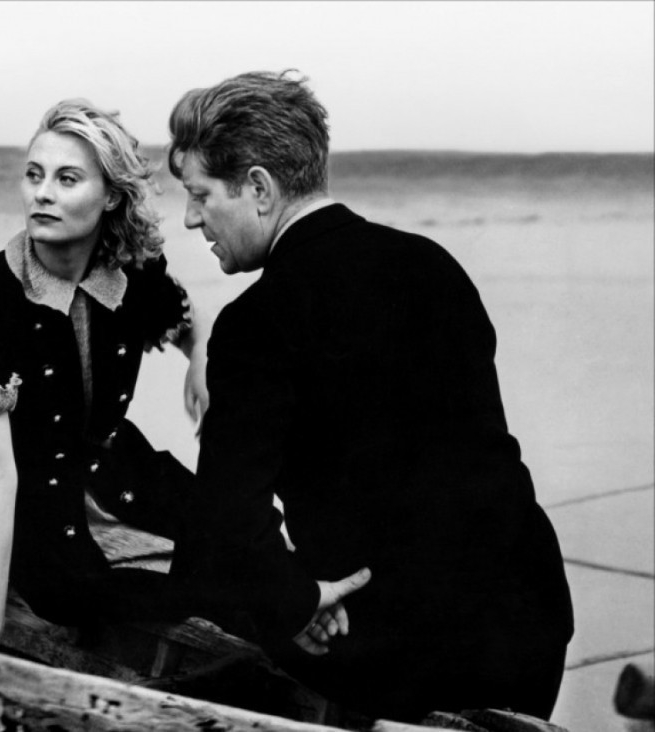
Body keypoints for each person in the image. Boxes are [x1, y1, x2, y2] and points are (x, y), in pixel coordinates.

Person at [166, 71, 574, 722]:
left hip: (396, 649)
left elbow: (228, 517)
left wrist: (292, 602)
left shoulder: (257, 321)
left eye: (199, 195)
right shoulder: (432, 265)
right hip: (528, 619)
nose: (191, 218)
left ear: (259, 188)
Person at [0, 99, 207, 649]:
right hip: (46, 525)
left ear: (111, 196)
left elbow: (184, 319)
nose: (42, 194)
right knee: (208, 591)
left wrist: (200, 359)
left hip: (132, 480)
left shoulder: (133, 272)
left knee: (253, 543)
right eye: (34, 175)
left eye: (67, 179)